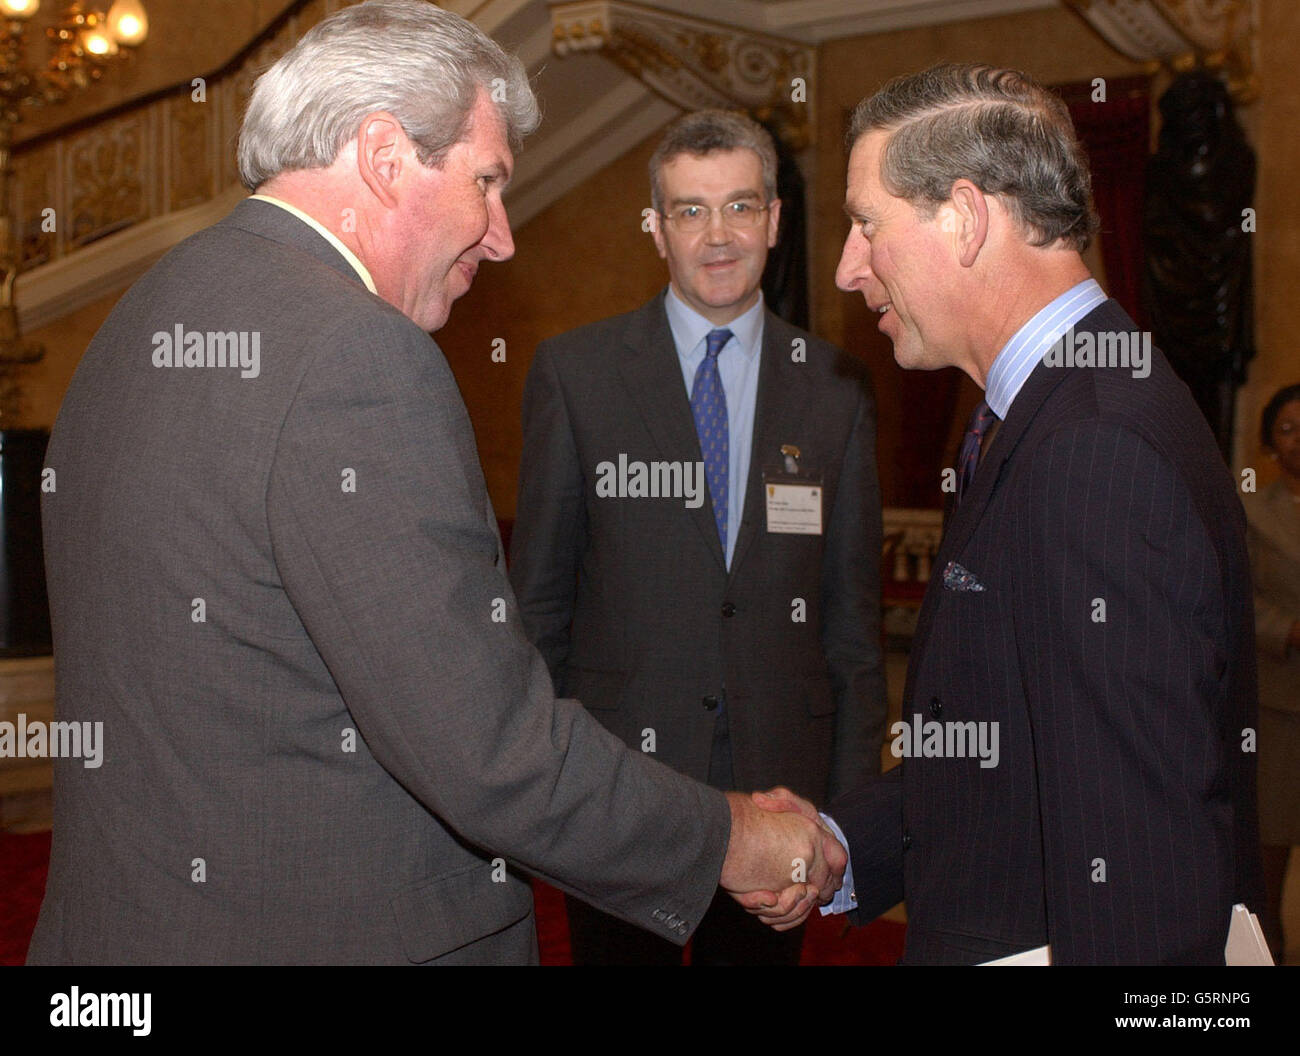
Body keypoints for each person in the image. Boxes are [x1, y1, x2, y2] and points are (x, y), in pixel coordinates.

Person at [27, 0, 843, 966]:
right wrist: (737, 838)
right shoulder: (355, 354)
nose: (501, 237)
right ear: (382, 155)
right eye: (487, 183)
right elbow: (491, 753)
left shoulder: (146, 311)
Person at [746, 63, 1262, 964]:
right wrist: (843, 840)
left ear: (965, 216)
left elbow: (1138, 873)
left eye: (867, 225)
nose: (846, 266)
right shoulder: (1056, 406)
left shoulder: (1092, 448)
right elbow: (1015, 737)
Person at [509, 109, 885, 964]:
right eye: (689, 210)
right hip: (620, 790)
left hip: (779, 792)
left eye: (741, 207)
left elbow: (853, 628)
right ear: (656, 228)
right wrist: (543, 790)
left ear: (776, 220)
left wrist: (850, 820)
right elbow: (540, 605)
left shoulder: (836, 389)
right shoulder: (578, 375)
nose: (718, 236)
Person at [1245, 384, 1300, 960]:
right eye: (1287, 428)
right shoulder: (1253, 508)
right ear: (1269, 441)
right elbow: (1237, 596)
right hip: (1281, 709)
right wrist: (1288, 629)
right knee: (1266, 868)